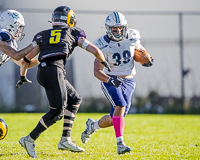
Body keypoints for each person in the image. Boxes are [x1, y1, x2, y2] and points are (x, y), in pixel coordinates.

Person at [18, 6, 111, 158]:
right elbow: (95, 50)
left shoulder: (43, 35)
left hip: (43, 72)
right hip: (55, 71)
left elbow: (25, 61)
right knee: (57, 112)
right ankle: (29, 139)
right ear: (69, 20)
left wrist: (22, 77)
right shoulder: (73, 32)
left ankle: (65, 139)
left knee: (74, 99)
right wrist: (103, 61)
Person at [81, 11, 154, 154]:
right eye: (115, 29)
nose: (118, 31)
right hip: (110, 80)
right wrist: (110, 79)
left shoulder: (133, 36)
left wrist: (147, 58)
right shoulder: (101, 44)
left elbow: (140, 51)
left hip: (129, 81)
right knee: (120, 105)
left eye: (121, 28)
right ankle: (120, 144)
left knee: (117, 116)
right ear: (108, 29)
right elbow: (97, 71)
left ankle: (93, 126)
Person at [0, 9, 41, 82]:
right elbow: (16, 56)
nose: (19, 31)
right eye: (18, 27)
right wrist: (35, 43)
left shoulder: (10, 43)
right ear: (11, 25)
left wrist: (41, 59)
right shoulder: (3, 36)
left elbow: (24, 63)